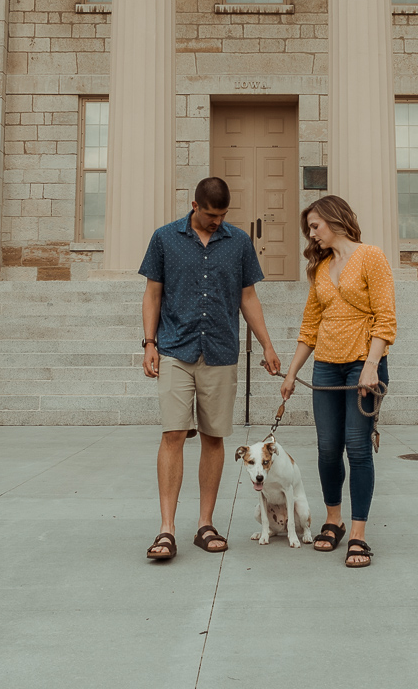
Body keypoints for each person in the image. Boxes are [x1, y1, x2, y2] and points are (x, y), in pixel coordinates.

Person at [141, 176, 280, 561]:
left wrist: (267, 344)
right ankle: (166, 529)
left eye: (222, 215)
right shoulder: (165, 238)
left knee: (214, 437)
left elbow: (247, 296)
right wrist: (149, 343)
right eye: (210, 214)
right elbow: (152, 293)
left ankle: (205, 523)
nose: (217, 221)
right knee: (172, 433)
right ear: (194, 205)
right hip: (174, 349)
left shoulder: (238, 242)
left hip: (220, 351)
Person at [280, 194, 395, 569]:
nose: (311, 235)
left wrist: (371, 364)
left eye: (315, 226)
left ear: (334, 220)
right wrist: (292, 372)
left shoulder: (370, 256)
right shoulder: (320, 267)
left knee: (358, 448)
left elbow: (385, 316)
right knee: (328, 448)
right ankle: (334, 521)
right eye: (309, 229)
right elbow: (310, 326)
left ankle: (359, 534)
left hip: (363, 365)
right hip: (327, 366)